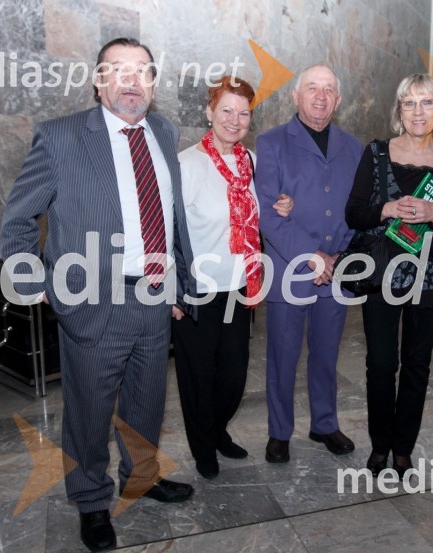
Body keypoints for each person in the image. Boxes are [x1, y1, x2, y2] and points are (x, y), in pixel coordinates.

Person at [0, 37, 196, 552]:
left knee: (146, 403)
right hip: (92, 302)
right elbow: (19, 218)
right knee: (88, 413)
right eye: (119, 71)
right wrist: (37, 286)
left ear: (153, 83)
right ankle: (90, 500)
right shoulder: (60, 137)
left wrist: (181, 280)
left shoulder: (163, 130)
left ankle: (142, 475)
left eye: (142, 72)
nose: (132, 82)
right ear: (98, 80)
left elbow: (171, 217)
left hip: (154, 299)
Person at [172, 75, 294, 479]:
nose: (234, 119)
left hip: (241, 286)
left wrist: (281, 204)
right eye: (226, 110)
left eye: (243, 113)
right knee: (197, 376)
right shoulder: (187, 164)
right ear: (209, 113)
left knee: (234, 373)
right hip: (198, 289)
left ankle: (216, 429)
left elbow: (266, 211)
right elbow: (169, 231)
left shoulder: (253, 163)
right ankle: (204, 446)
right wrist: (173, 289)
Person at [345, 73, 433, 479]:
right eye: (409, 103)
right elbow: (354, 212)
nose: (418, 111)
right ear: (399, 110)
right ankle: (380, 445)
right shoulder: (377, 153)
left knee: (417, 365)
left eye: (427, 102)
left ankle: (403, 449)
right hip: (382, 274)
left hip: (429, 277)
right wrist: (388, 210)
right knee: (381, 364)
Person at [254, 63, 363, 463]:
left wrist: (338, 258)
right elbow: (267, 212)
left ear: (338, 100)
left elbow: (360, 209)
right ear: (295, 96)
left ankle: (325, 424)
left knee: (326, 355)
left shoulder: (354, 147)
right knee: (283, 356)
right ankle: (279, 431)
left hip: (336, 272)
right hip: (289, 270)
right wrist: (312, 256)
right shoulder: (271, 143)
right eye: (312, 88)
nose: (320, 96)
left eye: (328, 89)